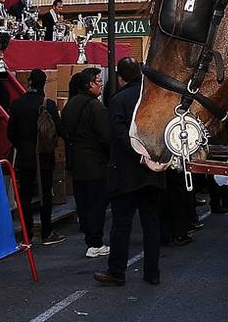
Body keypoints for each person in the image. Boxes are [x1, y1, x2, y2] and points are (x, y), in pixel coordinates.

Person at [95, 59, 167, 286]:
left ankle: (117, 271)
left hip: (126, 172)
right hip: (153, 172)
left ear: (120, 77)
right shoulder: (154, 98)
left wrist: (138, 156)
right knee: (151, 224)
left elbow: (117, 134)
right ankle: (152, 272)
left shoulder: (118, 100)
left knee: (121, 224)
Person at [5, 68, 66, 244]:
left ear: (29, 82)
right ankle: (47, 232)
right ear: (44, 83)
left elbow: (11, 132)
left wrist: (21, 145)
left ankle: (27, 234)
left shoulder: (17, 104)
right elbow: (59, 130)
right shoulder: (48, 104)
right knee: (46, 193)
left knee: (24, 195)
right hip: (44, 156)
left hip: (25, 155)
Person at [61, 67, 112, 257]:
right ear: (90, 84)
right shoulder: (94, 106)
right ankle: (95, 242)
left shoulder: (71, 105)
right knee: (97, 204)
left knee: (83, 203)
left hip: (77, 161)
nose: (101, 86)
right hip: (95, 163)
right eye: (99, 82)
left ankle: (90, 239)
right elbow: (105, 137)